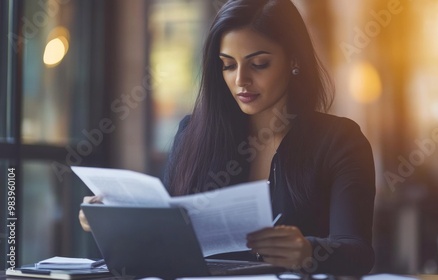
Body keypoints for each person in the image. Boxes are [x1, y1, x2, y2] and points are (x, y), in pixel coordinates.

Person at [80, 0, 375, 275]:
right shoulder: (192, 135)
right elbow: (166, 241)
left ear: (294, 59)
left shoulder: (339, 140)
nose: (240, 80)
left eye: (258, 64)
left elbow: (359, 253)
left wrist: (309, 250)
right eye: (228, 64)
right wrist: (111, 222)